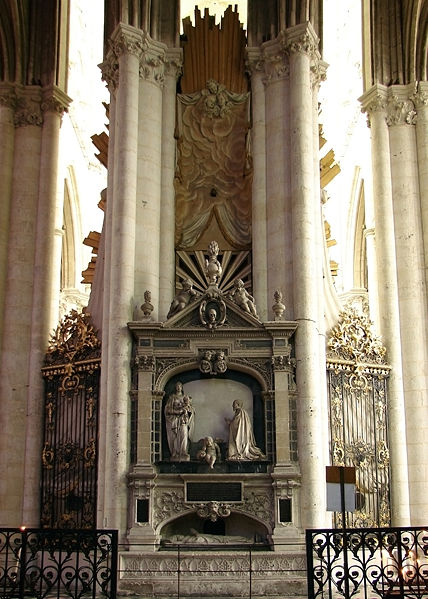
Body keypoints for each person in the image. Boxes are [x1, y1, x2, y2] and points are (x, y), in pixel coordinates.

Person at [164, 382, 195, 461]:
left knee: (184, 434)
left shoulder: (185, 397)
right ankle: (175, 453)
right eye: (177, 386)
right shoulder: (172, 397)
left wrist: (187, 410)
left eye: (180, 386)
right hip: (174, 420)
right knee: (175, 436)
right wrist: (177, 411)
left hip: (183, 420)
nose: (178, 388)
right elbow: (167, 410)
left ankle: (183, 452)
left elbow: (191, 409)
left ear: (182, 387)